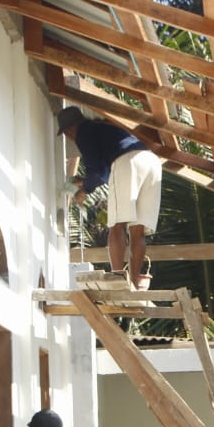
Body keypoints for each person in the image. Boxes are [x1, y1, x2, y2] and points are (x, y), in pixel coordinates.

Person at [57, 106, 162, 290]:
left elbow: (96, 171)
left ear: (69, 130)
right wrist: (84, 182)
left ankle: (118, 279)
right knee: (137, 230)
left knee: (117, 225)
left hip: (128, 161)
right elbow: (105, 174)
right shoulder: (102, 128)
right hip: (151, 162)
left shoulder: (83, 132)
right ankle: (134, 282)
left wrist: (84, 190)